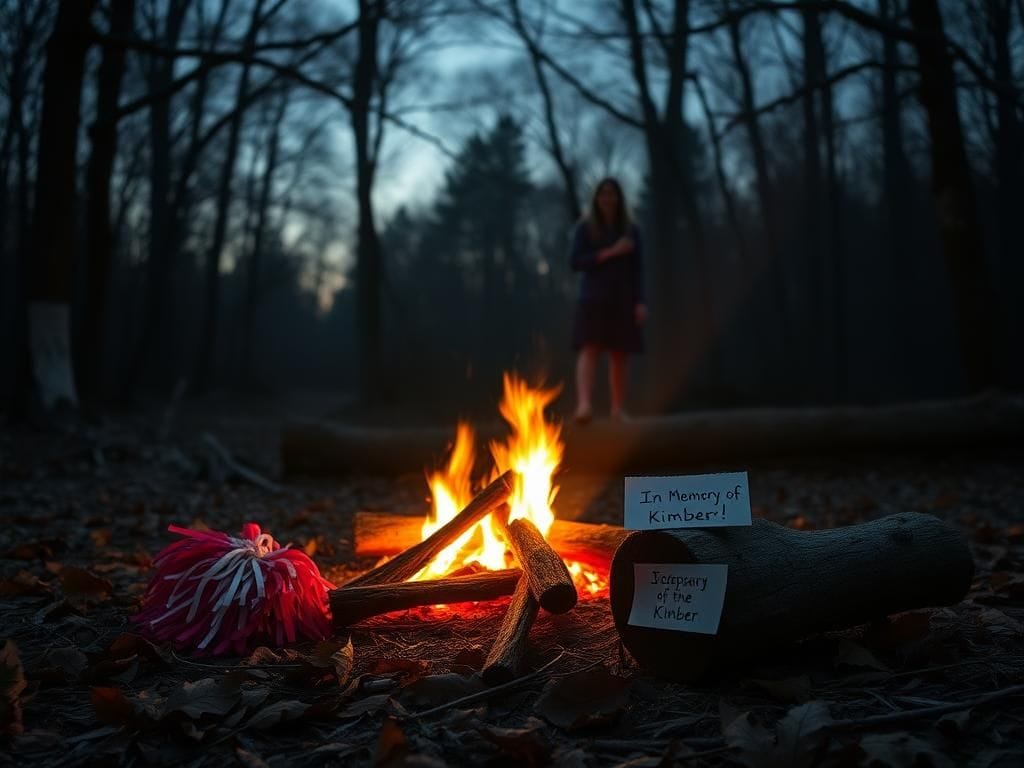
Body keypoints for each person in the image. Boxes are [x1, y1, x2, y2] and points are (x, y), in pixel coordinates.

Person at [569, 177, 647, 423]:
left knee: (620, 354)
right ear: (596, 198)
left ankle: (618, 409)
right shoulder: (585, 228)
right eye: (603, 193)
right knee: (589, 349)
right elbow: (575, 262)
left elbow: (638, 269)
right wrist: (611, 252)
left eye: (612, 193)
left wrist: (640, 302)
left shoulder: (631, 230)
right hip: (593, 298)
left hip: (623, 299)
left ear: (619, 198)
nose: (607, 198)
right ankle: (584, 406)